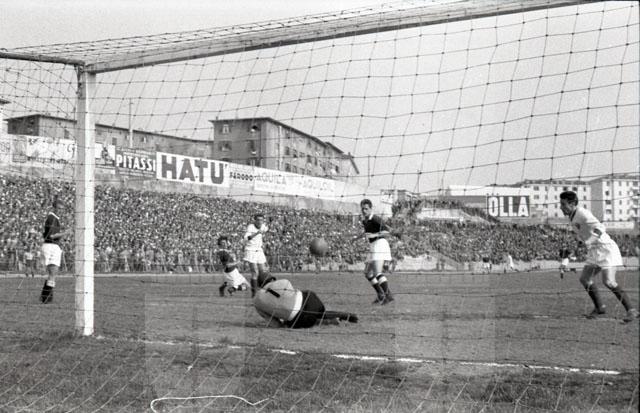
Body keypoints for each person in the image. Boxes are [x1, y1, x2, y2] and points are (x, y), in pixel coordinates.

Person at [559, 191, 639, 322]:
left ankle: (631, 310)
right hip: (594, 251)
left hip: (606, 248)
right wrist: (575, 249)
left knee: (608, 281)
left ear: (572, 204)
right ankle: (599, 307)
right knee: (585, 279)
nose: (561, 207)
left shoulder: (582, 213)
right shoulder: (571, 217)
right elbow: (583, 236)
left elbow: (600, 227)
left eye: (563, 204)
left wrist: (589, 241)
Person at [253, 272, 358, 328]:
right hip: (311, 299)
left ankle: (330, 321)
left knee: (299, 320)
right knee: (319, 313)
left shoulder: (256, 301)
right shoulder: (284, 281)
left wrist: (283, 323)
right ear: (272, 279)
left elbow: (274, 323)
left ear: (260, 285)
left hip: (298, 318)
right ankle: (342, 315)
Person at [355, 199, 394, 305]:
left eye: (366, 209)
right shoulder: (365, 221)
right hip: (373, 246)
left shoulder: (375, 218)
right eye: (362, 209)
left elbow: (387, 231)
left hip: (380, 244)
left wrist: (375, 235)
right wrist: (357, 238)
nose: (364, 211)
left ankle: (388, 295)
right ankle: (380, 294)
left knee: (377, 273)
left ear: (371, 209)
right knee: (368, 273)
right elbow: (367, 232)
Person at [40, 194, 71, 304]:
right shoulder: (52, 218)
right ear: (55, 208)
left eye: (62, 209)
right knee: (49, 272)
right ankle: (46, 296)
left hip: (53, 246)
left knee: (53, 272)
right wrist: (65, 233)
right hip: (50, 246)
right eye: (59, 209)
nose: (61, 211)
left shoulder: (55, 218)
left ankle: (46, 296)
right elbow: (52, 236)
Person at [243, 213, 269, 297]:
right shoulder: (250, 227)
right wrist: (257, 233)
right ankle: (254, 293)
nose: (259, 221)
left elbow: (266, 229)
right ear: (255, 220)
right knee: (255, 272)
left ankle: (262, 291)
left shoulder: (263, 226)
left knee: (263, 272)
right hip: (250, 250)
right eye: (258, 220)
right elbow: (246, 238)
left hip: (259, 251)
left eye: (261, 220)